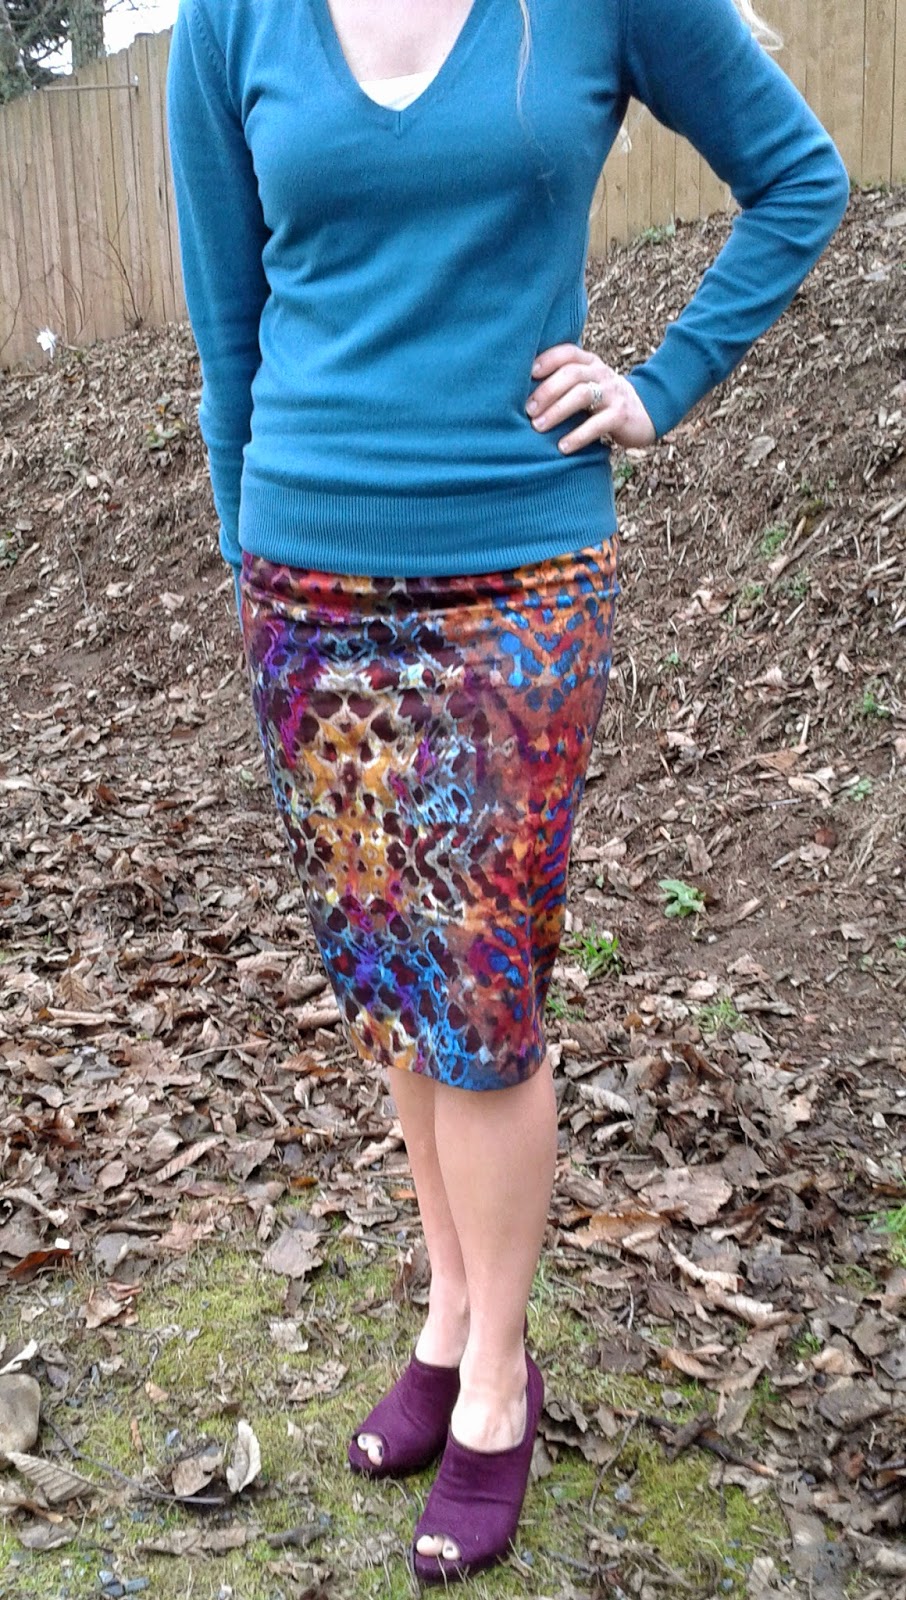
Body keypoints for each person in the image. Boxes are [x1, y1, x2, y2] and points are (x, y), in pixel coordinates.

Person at [166, 0, 849, 1582]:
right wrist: (246, 551)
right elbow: (226, 319)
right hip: (305, 586)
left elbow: (797, 178)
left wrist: (662, 381)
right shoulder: (229, 20)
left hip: (516, 578)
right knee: (394, 985)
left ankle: (495, 1377)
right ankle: (447, 1308)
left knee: (479, 991)